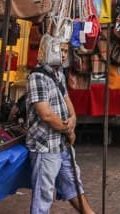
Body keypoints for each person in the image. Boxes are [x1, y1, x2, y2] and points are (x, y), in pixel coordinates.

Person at [27, 42, 94, 214]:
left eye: (65, 51)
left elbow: (67, 101)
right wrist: (68, 129)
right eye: (59, 50)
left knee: (73, 183)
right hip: (46, 145)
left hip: (61, 144)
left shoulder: (58, 74)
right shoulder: (37, 77)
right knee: (43, 195)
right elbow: (46, 114)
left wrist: (72, 121)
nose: (63, 54)